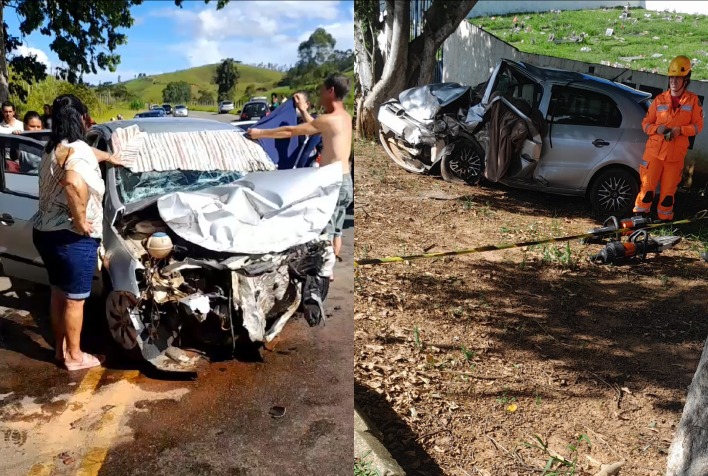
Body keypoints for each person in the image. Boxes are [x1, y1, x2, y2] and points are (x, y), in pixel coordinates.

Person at [32, 94, 120, 371]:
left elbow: (83, 154)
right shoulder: (77, 152)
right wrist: (81, 221)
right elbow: (72, 182)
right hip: (72, 237)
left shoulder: (53, 148)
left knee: (58, 293)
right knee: (76, 300)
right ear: (82, 119)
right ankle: (75, 356)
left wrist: (108, 156)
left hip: (46, 233)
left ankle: (61, 350)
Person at [247, 74, 352, 278]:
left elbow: (290, 131)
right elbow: (317, 127)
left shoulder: (328, 120)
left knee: (324, 234)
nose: (320, 95)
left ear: (331, 91)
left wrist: (259, 133)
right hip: (346, 182)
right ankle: (329, 272)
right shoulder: (344, 117)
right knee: (336, 231)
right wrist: (303, 110)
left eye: (322, 91)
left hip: (333, 184)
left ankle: (323, 279)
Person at [634, 55, 704, 221]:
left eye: (678, 78)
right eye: (671, 77)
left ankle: (663, 221)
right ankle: (639, 219)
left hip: (674, 156)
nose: (673, 81)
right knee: (647, 189)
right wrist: (657, 128)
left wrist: (681, 130)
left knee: (668, 193)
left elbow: (697, 127)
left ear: (686, 79)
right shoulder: (659, 100)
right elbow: (645, 125)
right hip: (653, 153)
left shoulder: (693, 101)